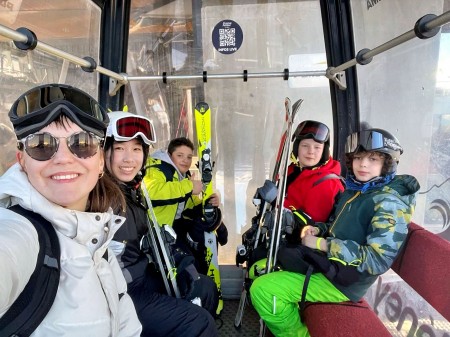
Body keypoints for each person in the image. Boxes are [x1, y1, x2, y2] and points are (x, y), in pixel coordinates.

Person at [0, 84, 141, 336]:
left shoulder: (98, 233)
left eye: (82, 143)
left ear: (100, 162)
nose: (63, 158)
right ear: (22, 161)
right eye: (41, 145)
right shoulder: (19, 233)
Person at [250, 128, 420, 337]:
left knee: (263, 290)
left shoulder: (388, 203)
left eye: (373, 159)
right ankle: (289, 315)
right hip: (330, 266)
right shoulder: (356, 190)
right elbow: (334, 225)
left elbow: (377, 260)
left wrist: (324, 245)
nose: (363, 164)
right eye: (358, 158)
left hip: (345, 282)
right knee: (257, 268)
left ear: (387, 164)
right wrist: (318, 230)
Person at [104, 112, 218, 336]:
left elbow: (176, 206)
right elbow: (158, 193)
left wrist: (202, 202)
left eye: (136, 149)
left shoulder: (132, 189)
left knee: (204, 287)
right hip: (121, 292)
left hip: (142, 273)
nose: (129, 158)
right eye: (119, 149)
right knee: (199, 323)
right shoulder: (103, 194)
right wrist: (188, 188)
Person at [143, 137, 227, 314]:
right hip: (156, 231)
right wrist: (188, 186)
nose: (185, 160)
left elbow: (185, 204)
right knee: (187, 265)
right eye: (180, 155)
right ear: (169, 155)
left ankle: (203, 296)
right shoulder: (157, 168)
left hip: (174, 227)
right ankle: (187, 304)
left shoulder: (181, 175)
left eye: (189, 157)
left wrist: (207, 203)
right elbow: (152, 192)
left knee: (199, 250)